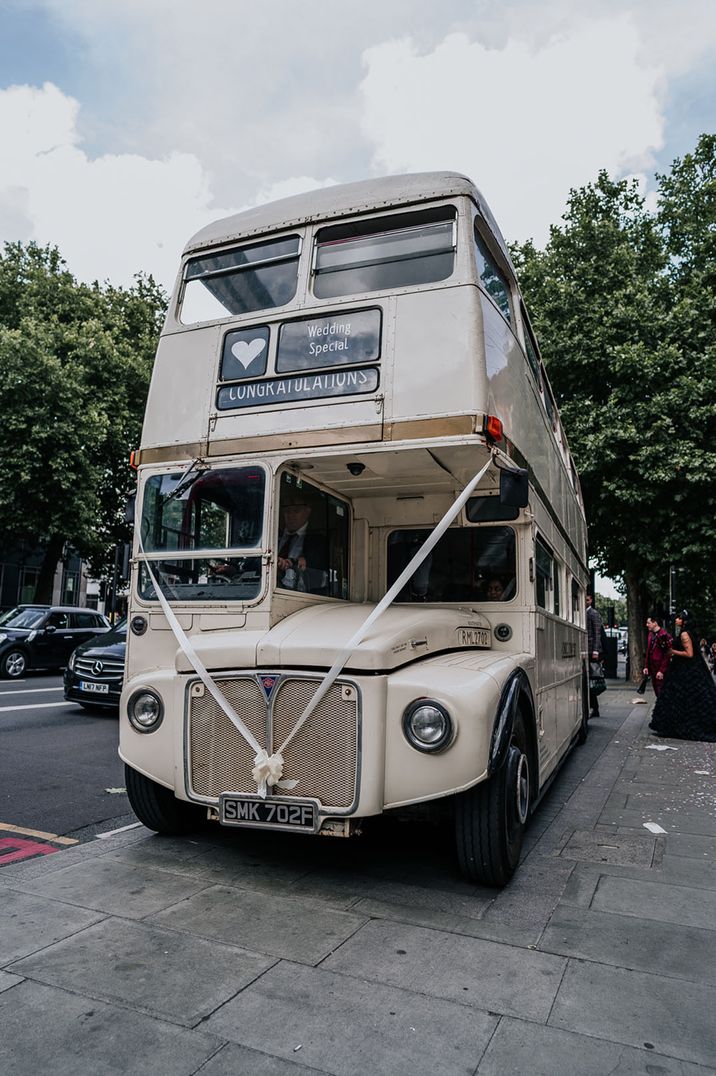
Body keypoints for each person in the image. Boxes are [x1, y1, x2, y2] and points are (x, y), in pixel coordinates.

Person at [649, 610, 716, 741]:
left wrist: (672, 651)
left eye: (679, 618)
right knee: (686, 699)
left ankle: (675, 727)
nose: (676, 619)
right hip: (687, 669)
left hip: (686, 670)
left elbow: (689, 654)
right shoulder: (687, 632)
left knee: (679, 697)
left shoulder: (685, 634)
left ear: (684, 620)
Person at [276, 494, 327, 594]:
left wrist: (290, 562)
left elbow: (315, 564)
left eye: (296, 511)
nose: (291, 515)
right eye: (287, 511)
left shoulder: (318, 540)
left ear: (307, 511)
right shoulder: (273, 534)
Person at [637, 614, 672, 702]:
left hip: (660, 667)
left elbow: (667, 655)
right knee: (656, 690)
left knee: (661, 690)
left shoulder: (664, 635)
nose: (647, 625)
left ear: (655, 623)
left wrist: (661, 670)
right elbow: (648, 651)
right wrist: (646, 666)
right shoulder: (650, 634)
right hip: (652, 667)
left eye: (648, 623)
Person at [586, 593, 606, 719]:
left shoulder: (593, 613)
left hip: (591, 651)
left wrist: (596, 651)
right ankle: (594, 707)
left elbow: (597, 633)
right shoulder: (585, 612)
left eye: (587, 599)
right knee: (590, 681)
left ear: (591, 600)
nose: (586, 601)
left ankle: (595, 708)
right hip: (587, 650)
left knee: (592, 680)